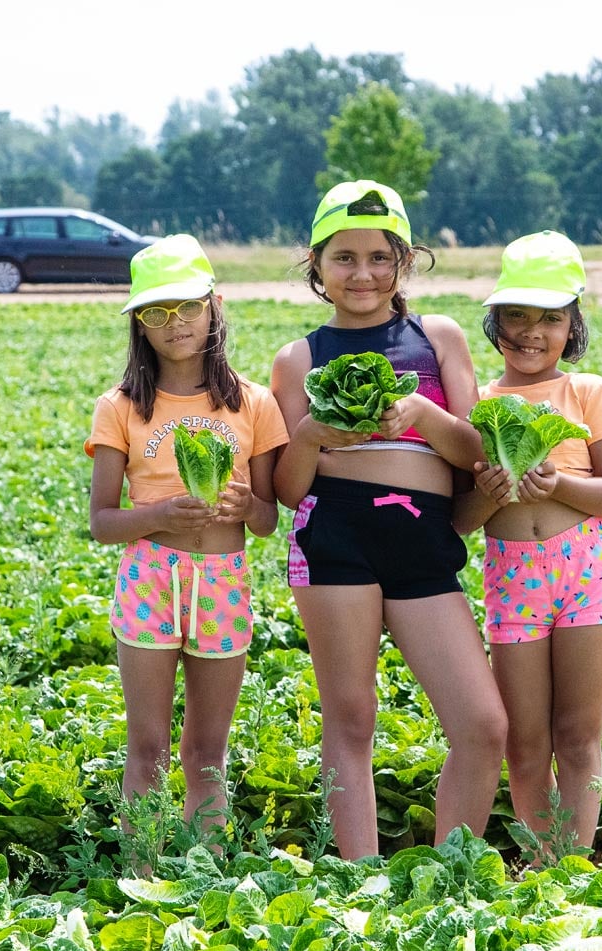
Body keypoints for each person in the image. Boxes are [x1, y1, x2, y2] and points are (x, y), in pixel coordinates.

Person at [270, 179, 507, 859]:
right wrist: (312, 437)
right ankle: (360, 879)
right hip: (335, 537)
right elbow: (289, 490)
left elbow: (475, 452)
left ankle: (451, 873)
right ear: (316, 264)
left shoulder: (437, 337)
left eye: (380, 256)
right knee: (351, 719)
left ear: (404, 260)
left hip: (423, 542)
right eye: (343, 257)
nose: (363, 273)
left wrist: (425, 417)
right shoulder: (298, 358)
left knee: (483, 723)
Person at [85, 234, 288, 834]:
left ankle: (207, 877)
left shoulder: (254, 403)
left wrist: (247, 503)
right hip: (149, 579)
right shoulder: (120, 407)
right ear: (139, 325)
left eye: (188, 308)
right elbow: (102, 522)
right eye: (156, 313)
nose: (174, 324)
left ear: (214, 307)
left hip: (223, 582)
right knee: (146, 750)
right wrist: (159, 516)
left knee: (207, 753)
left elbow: (269, 519)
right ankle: (140, 876)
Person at [453, 231, 602, 854]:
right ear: (494, 321)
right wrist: (493, 490)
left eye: (551, 319)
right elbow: (458, 521)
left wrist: (557, 483)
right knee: (525, 742)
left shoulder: (590, 393)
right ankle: (539, 864)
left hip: (586, 571)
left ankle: (573, 867)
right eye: (516, 316)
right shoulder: (476, 406)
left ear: (572, 325)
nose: (532, 332)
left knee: (579, 735)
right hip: (512, 577)